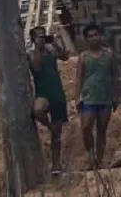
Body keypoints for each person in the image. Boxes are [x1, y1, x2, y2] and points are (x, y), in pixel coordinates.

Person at [28, 24, 71, 176]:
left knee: (57, 134)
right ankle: (49, 126)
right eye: (39, 36)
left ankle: (56, 164)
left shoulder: (51, 51)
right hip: (43, 92)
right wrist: (39, 48)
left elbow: (65, 56)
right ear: (33, 39)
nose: (42, 38)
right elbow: (37, 68)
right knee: (38, 110)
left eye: (43, 35)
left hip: (57, 92)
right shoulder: (32, 54)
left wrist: (55, 42)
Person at [75, 23, 119, 169]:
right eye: (90, 36)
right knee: (86, 127)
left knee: (102, 129)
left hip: (105, 98)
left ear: (101, 36)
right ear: (86, 39)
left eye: (96, 35)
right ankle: (91, 154)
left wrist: (115, 96)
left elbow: (114, 76)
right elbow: (79, 78)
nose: (94, 38)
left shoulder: (109, 54)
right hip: (88, 97)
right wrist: (77, 97)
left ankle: (99, 160)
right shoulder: (83, 57)